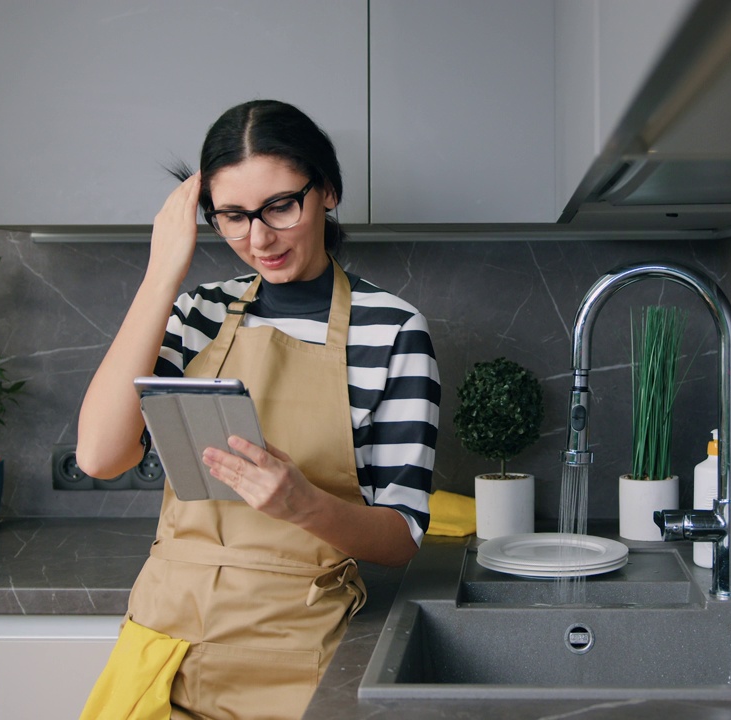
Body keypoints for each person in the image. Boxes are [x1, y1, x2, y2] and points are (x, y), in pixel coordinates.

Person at [75, 100, 440, 720]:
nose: (258, 238)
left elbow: (402, 534)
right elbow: (101, 456)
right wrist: (163, 275)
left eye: (279, 206)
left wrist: (304, 505)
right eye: (233, 217)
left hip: (293, 657)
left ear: (326, 190)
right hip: (166, 648)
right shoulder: (196, 313)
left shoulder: (393, 330)